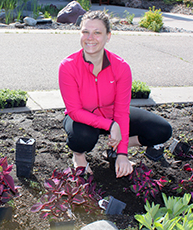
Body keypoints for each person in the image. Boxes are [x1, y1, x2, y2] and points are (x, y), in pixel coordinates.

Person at [58, 11, 172, 178]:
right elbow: (74, 111)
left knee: (161, 130)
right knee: (82, 137)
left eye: (97, 32)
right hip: (83, 118)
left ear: (108, 36)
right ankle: (79, 156)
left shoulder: (121, 67)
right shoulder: (68, 67)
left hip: (113, 114)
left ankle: (113, 147)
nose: (90, 37)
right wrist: (111, 126)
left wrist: (122, 154)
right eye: (85, 32)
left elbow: (121, 111)